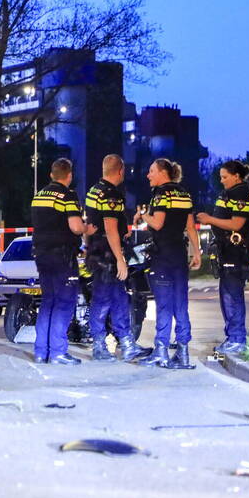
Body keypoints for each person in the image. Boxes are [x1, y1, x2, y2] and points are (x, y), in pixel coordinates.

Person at [134, 158, 201, 369]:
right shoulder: (184, 194)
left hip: (162, 257)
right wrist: (197, 253)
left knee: (164, 305)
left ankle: (161, 351)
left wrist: (143, 214)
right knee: (181, 305)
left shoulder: (161, 194)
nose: (148, 175)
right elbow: (190, 227)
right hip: (179, 257)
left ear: (163, 172)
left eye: (151, 171)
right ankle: (183, 353)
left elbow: (158, 223)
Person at [84, 154, 149, 363]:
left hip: (97, 252)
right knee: (103, 300)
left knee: (119, 298)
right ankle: (99, 345)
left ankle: (127, 343)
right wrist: (120, 259)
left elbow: (90, 225)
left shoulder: (93, 191)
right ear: (120, 171)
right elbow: (110, 229)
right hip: (107, 255)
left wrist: (87, 248)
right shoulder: (111, 194)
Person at [196, 160, 249, 354]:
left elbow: (236, 224)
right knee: (227, 295)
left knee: (232, 296)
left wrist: (208, 219)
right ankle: (233, 336)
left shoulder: (240, 193)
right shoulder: (234, 192)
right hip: (228, 250)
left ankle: (237, 339)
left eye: (224, 177)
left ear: (236, 176)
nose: (222, 181)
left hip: (235, 250)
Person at [30, 158, 89, 365]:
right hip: (62, 256)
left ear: (51, 174)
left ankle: (41, 352)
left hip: (41, 255)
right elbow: (75, 226)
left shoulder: (38, 196)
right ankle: (58, 352)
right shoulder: (67, 195)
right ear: (69, 176)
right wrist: (86, 229)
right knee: (64, 302)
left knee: (48, 301)